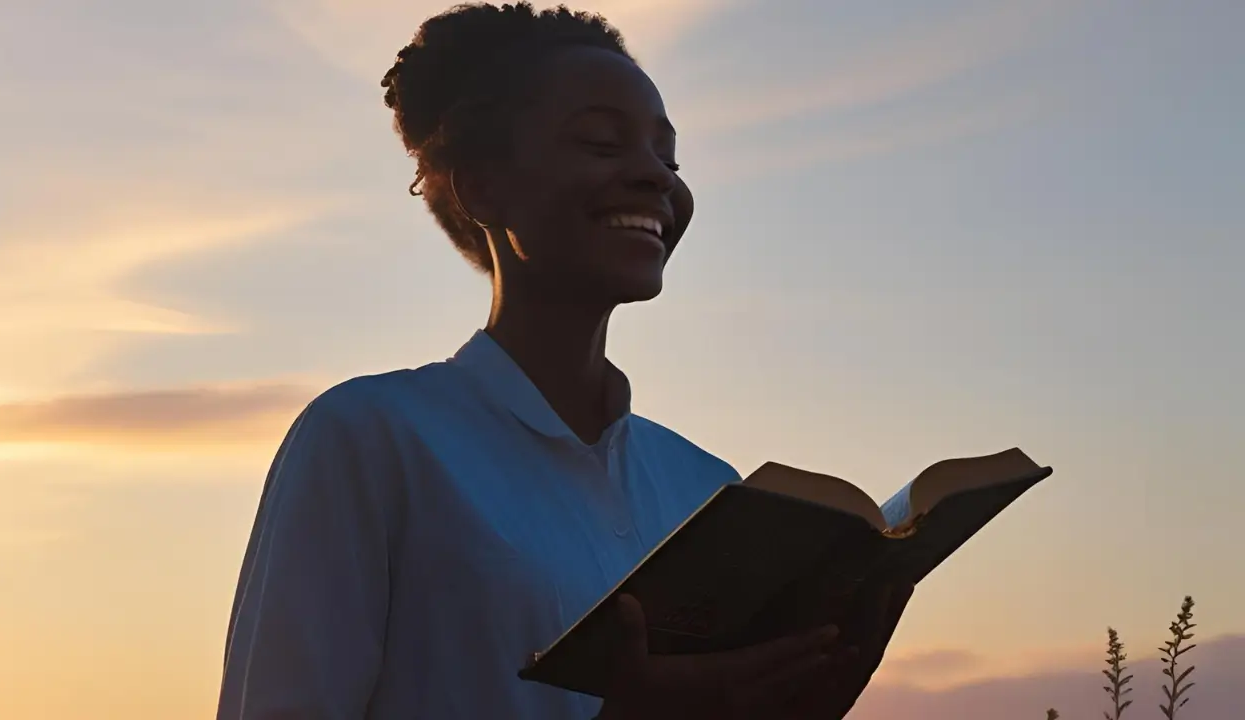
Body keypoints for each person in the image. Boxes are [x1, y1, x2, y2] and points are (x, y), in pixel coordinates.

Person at [216, 3, 912, 719]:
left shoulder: (707, 493)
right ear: (483, 185)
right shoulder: (371, 440)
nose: (655, 177)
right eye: (602, 144)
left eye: (667, 157)